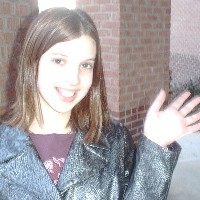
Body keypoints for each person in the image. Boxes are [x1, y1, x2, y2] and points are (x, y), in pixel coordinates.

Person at [0, 7, 200, 200]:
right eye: (59, 61)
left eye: (86, 65)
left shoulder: (115, 141)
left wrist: (155, 147)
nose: (73, 79)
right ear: (32, 63)